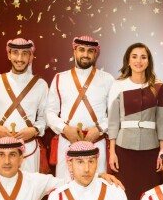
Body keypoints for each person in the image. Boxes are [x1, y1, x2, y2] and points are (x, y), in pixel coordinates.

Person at [108, 42, 163, 200]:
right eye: (134, 56)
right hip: (124, 149)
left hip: (151, 150)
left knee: (148, 192)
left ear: (149, 61)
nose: (138, 61)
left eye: (143, 57)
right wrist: (112, 151)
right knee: (125, 192)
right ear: (128, 60)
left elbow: (162, 120)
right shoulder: (118, 86)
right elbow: (113, 121)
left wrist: (162, 151)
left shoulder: (158, 88)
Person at [46, 35, 114, 177]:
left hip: (96, 143)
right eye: (81, 50)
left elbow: (115, 113)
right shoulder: (60, 78)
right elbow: (50, 112)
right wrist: (64, 129)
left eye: (90, 51)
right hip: (67, 142)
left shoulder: (107, 79)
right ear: (74, 52)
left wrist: (100, 129)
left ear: (95, 54)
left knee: (96, 187)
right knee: (65, 188)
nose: (85, 54)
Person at [0, 38, 49, 174]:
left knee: (29, 193)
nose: (19, 58)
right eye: (15, 53)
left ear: (31, 56)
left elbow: (45, 117)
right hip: (1, 149)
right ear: (9, 55)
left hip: (29, 150)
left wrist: (35, 130)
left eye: (24, 53)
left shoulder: (41, 84)